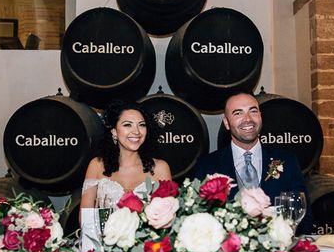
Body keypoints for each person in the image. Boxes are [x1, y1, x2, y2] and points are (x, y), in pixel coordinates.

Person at [192, 93, 313, 235]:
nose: (248, 119)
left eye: (253, 111)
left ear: (260, 117)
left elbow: (303, 215)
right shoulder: (207, 165)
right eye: (238, 113)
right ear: (226, 123)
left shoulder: (287, 161)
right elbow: (198, 218)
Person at [80, 100, 171, 230]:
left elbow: (166, 221)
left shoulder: (160, 169)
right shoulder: (97, 166)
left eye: (142, 125)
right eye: (128, 125)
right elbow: (85, 219)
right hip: (103, 245)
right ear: (114, 132)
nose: (137, 131)